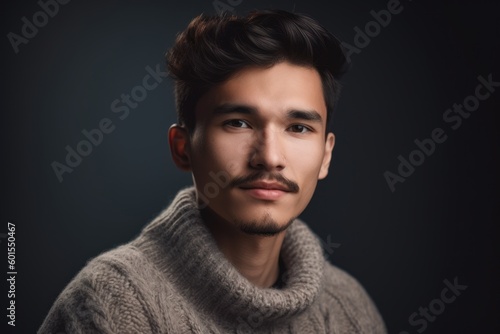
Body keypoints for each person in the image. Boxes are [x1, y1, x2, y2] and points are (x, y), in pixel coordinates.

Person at [39, 9, 386, 333]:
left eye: (297, 128)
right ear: (183, 148)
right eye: (238, 123)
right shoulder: (108, 306)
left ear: (326, 156)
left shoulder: (350, 309)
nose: (269, 157)